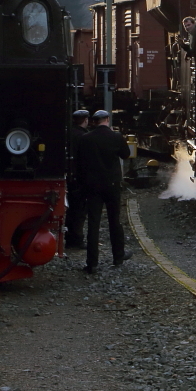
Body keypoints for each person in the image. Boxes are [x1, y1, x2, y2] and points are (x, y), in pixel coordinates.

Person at [74, 109, 132, 272]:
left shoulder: (85, 139)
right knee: (115, 221)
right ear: (107, 119)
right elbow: (126, 155)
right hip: (112, 185)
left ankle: (92, 263)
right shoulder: (115, 136)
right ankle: (118, 257)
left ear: (93, 121)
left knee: (93, 223)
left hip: (92, 186)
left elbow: (79, 163)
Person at [64, 109, 91, 249]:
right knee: (79, 211)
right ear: (85, 120)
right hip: (80, 178)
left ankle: (69, 238)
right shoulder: (84, 136)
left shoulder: (68, 134)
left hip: (69, 175)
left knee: (70, 210)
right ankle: (77, 239)